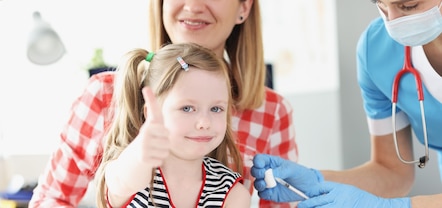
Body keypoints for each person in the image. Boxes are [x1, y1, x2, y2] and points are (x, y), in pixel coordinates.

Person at [29, 0, 299, 207]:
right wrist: (139, 155)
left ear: (244, 6)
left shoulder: (273, 112)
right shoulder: (104, 94)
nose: (193, 6)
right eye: (186, 107)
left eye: (217, 108)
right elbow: (54, 198)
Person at [251, 0, 442, 207]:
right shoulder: (376, 50)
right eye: (381, 4)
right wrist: (317, 182)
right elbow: (392, 171)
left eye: (409, 5)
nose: (393, 21)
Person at [94, 42, 250, 208]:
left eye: (216, 108)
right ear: (150, 113)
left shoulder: (231, 193)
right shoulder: (129, 172)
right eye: (187, 108)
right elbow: (122, 182)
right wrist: (141, 149)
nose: (205, 122)